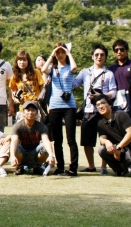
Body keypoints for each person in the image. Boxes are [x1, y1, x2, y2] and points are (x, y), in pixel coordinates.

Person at [72, 44, 117, 174]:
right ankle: (91, 166)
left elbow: (114, 91)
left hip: (104, 112)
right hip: (88, 110)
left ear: (106, 57)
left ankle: (104, 166)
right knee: (87, 141)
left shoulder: (109, 74)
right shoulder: (85, 72)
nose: (99, 57)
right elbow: (74, 83)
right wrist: (69, 71)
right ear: (92, 56)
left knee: (105, 139)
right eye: (96, 54)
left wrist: (102, 96)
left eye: (102, 55)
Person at [41, 42, 79, 176]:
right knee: (57, 139)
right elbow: (43, 70)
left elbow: (74, 67)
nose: (60, 54)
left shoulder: (69, 67)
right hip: (54, 105)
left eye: (62, 52)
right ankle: (60, 167)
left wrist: (68, 52)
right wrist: (52, 55)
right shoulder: (52, 68)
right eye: (58, 52)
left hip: (69, 106)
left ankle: (73, 168)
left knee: (71, 139)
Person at [96, 95, 131, 178]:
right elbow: (102, 138)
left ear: (110, 105)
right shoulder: (100, 123)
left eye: (103, 103)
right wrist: (106, 142)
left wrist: (118, 147)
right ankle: (120, 170)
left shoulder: (121, 115)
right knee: (101, 149)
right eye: (98, 105)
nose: (100, 106)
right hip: (121, 151)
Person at [10, 101, 55, 175]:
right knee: (15, 146)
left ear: (37, 113)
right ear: (23, 112)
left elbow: (46, 140)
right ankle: (20, 166)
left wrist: (51, 155)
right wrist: (12, 156)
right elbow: (14, 141)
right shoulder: (17, 126)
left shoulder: (42, 126)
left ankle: (38, 166)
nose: (30, 112)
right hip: (22, 153)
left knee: (45, 147)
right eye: (28, 110)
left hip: (35, 152)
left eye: (33, 110)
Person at [9, 51, 44, 121]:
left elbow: (43, 88)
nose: (22, 62)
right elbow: (13, 94)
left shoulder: (36, 72)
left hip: (35, 108)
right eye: (20, 60)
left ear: (28, 61)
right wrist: (18, 100)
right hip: (23, 109)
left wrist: (40, 99)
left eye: (24, 60)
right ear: (17, 61)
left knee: (37, 127)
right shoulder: (14, 77)